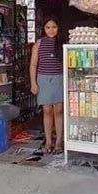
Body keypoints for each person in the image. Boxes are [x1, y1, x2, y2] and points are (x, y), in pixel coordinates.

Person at [30, 16, 65, 154]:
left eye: (54, 27)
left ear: (58, 28)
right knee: (47, 111)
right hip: (43, 80)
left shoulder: (63, 43)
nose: (51, 30)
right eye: (48, 27)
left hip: (59, 79)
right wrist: (33, 83)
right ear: (43, 29)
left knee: (59, 111)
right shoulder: (38, 44)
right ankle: (48, 141)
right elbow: (33, 65)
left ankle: (59, 142)